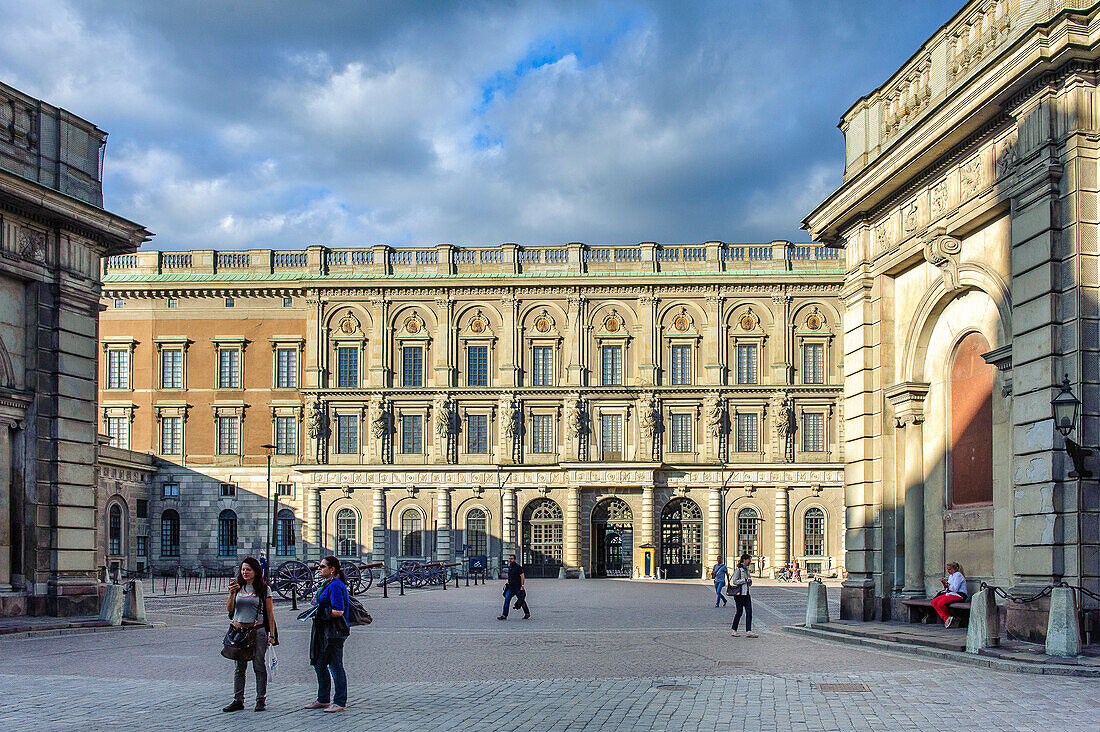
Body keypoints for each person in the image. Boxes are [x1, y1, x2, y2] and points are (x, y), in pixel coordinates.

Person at [223, 556, 278, 713]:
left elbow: (269, 613)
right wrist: (231, 594)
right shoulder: (238, 587)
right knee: (239, 668)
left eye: (248, 569)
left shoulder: (263, 589)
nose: (245, 572)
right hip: (238, 632)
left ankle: (260, 699)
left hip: (257, 631)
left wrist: (272, 635)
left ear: (255, 571)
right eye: (243, 569)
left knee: (258, 665)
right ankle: (237, 700)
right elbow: (229, 609)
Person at [303, 556, 350, 713]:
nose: (319, 568)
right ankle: (323, 699)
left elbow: (339, 610)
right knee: (319, 664)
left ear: (332, 569)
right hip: (323, 630)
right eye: (319, 566)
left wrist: (319, 611)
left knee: (335, 666)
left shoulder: (336, 585)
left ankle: (339, 702)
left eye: (322, 566)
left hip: (334, 632)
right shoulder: (326, 584)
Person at [932, 561, 968, 628]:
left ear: (954, 569)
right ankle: (947, 618)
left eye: (949, 569)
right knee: (934, 602)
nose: (948, 571)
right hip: (950, 593)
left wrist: (947, 583)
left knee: (941, 603)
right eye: (947, 569)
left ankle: (948, 619)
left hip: (959, 595)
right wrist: (944, 583)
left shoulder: (958, 575)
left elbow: (954, 589)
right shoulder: (951, 576)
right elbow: (947, 588)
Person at [729, 554, 758, 638]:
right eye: (749, 560)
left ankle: (749, 631)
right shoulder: (738, 570)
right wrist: (744, 580)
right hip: (739, 594)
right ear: (744, 560)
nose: (750, 561)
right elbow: (735, 581)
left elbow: (748, 583)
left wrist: (749, 581)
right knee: (739, 612)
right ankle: (734, 630)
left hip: (746, 593)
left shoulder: (747, 570)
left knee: (749, 612)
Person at [497, 554, 530, 620]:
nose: (510, 560)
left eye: (511, 559)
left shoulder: (518, 567)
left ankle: (527, 614)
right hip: (510, 587)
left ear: (514, 559)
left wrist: (522, 586)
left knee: (521, 600)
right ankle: (504, 615)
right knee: (506, 600)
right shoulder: (510, 567)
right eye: (509, 559)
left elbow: (522, 576)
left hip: (517, 587)